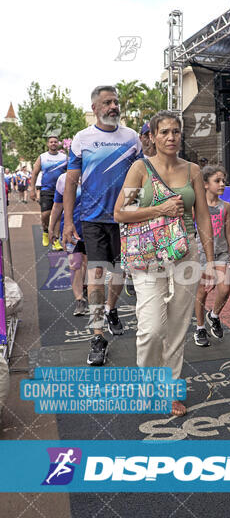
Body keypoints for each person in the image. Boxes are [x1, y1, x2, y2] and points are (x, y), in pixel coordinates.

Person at [114, 110, 215, 417]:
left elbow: (202, 218)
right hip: (149, 254)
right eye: (164, 132)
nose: (171, 137)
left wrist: (210, 261)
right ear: (152, 137)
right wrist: (159, 209)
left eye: (175, 131)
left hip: (186, 251)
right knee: (152, 327)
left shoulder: (193, 170)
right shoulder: (140, 169)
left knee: (176, 327)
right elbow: (121, 212)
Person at [63, 85, 143, 366]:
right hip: (93, 219)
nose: (113, 107)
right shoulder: (82, 139)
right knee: (96, 275)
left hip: (124, 219)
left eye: (116, 102)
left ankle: (111, 310)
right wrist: (68, 221)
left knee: (119, 272)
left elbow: (142, 177)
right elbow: (71, 183)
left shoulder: (132, 137)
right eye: (107, 102)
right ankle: (97, 335)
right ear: (95, 108)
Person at [194, 165, 230, 347]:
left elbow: (229, 231)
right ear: (205, 184)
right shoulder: (197, 206)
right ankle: (200, 327)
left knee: (224, 289)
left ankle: (214, 315)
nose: (222, 184)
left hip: (222, 253)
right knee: (202, 292)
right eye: (217, 181)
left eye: (223, 180)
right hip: (202, 253)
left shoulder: (226, 206)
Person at [49, 168, 88, 316]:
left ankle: (86, 287)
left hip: (91, 227)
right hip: (71, 229)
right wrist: (51, 228)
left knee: (88, 264)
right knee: (75, 264)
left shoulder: (94, 175)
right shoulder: (63, 179)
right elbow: (57, 206)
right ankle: (79, 299)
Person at [124, 121, 156, 298]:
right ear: (142, 137)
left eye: (153, 134)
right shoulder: (135, 161)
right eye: (146, 135)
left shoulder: (166, 160)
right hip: (139, 212)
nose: (150, 139)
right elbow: (128, 201)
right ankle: (131, 273)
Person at [30, 136, 67, 250]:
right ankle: (46, 232)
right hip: (46, 189)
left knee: (58, 216)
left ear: (58, 144)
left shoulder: (64, 157)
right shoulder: (43, 157)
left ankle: (56, 240)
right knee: (45, 214)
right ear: (48, 144)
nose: (53, 144)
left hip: (60, 190)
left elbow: (71, 172)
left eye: (55, 142)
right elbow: (35, 173)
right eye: (51, 142)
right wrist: (32, 190)